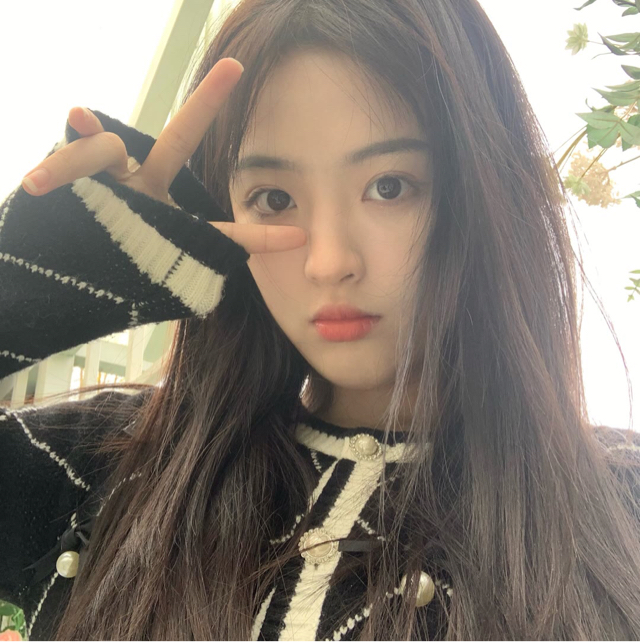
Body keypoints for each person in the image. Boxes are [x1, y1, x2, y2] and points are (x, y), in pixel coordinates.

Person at [1, 0, 639, 639]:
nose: (330, 262)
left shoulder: (621, 506)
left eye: (390, 186)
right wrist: (27, 294)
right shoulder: (98, 464)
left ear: (487, 191)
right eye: (274, 198)